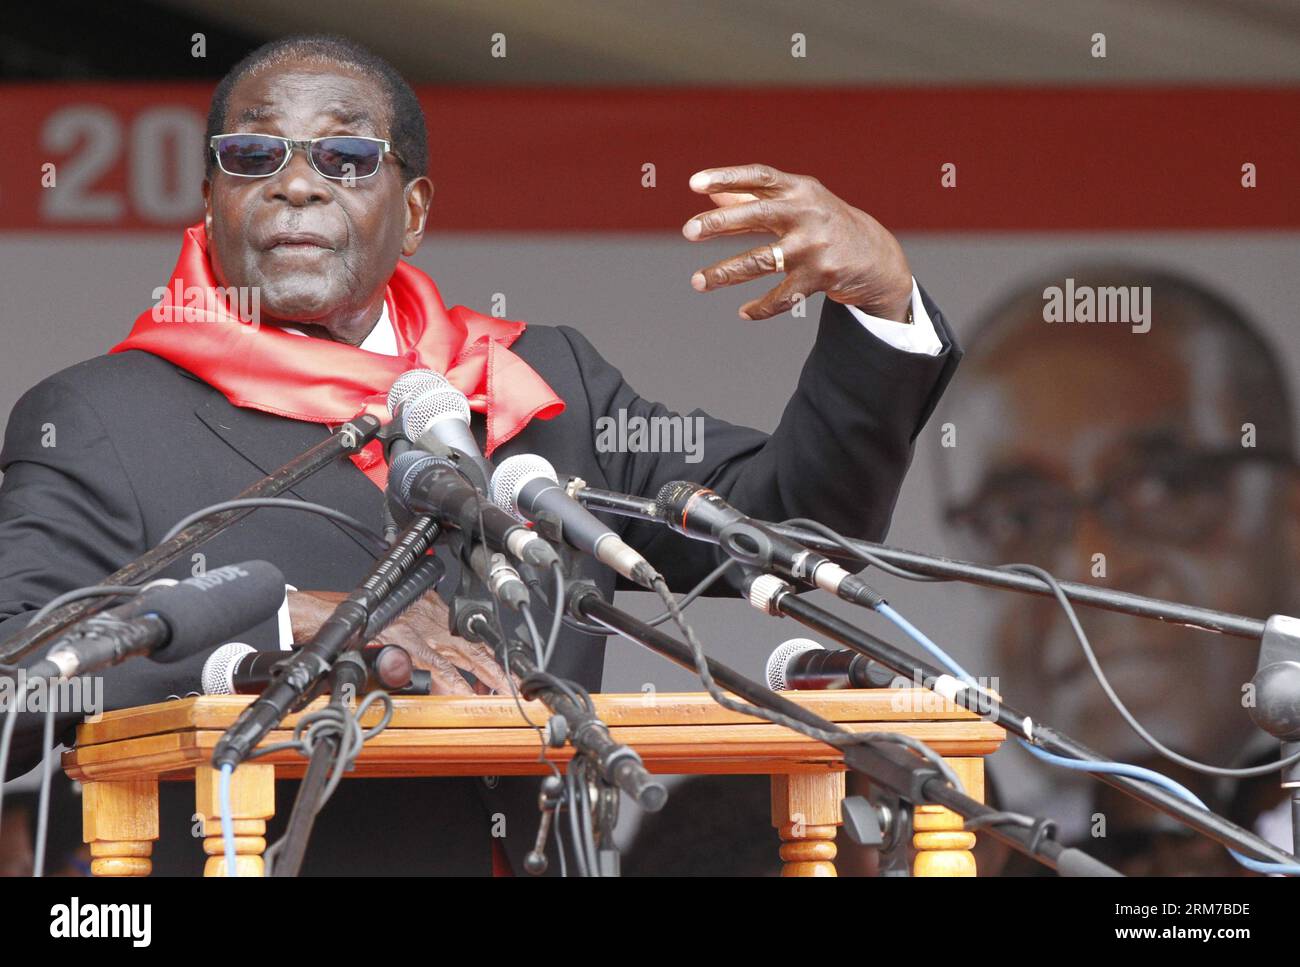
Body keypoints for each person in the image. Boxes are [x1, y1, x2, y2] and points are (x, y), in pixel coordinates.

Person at [0, 34, 960, 875]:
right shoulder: (102, 417)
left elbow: (788, 528)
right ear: (210, 200)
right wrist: (288, 620)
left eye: (345, 154)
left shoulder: (536, 381)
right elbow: (16, 674)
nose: (298, 181)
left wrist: (880, 310)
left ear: (412, 211)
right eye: (254, 155)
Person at [934, 265, 1298, 874]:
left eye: (1163, 486)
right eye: (1020, 515)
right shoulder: (965, 849)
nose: (1090, 573)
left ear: (1290, 515)